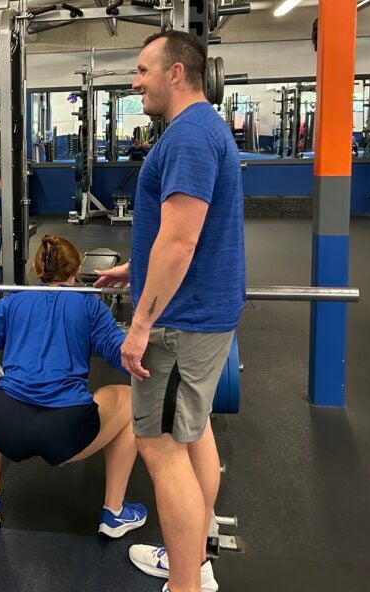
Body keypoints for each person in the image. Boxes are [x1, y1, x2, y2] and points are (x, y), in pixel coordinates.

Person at [95, 30, 244, 592]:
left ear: (175, 73)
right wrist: (134, 268)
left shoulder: (186, 137)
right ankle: (193, 562)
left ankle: (184, 584)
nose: (135, 83)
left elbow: (180, 244)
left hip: (181, 324)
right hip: (202, 312)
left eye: (141, 71)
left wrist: (138, 326)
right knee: (193, 433)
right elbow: (181, 233)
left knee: (161, 452)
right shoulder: (206, 129)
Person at [0, 235, 146, 537]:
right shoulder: (91, 307)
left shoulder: (10, 303)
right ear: (76, 270)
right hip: (69, 434)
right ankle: (114, 512)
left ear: (38, 270)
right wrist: (144, 316)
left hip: (9, 427)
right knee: (130, 398)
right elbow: (128, 361)